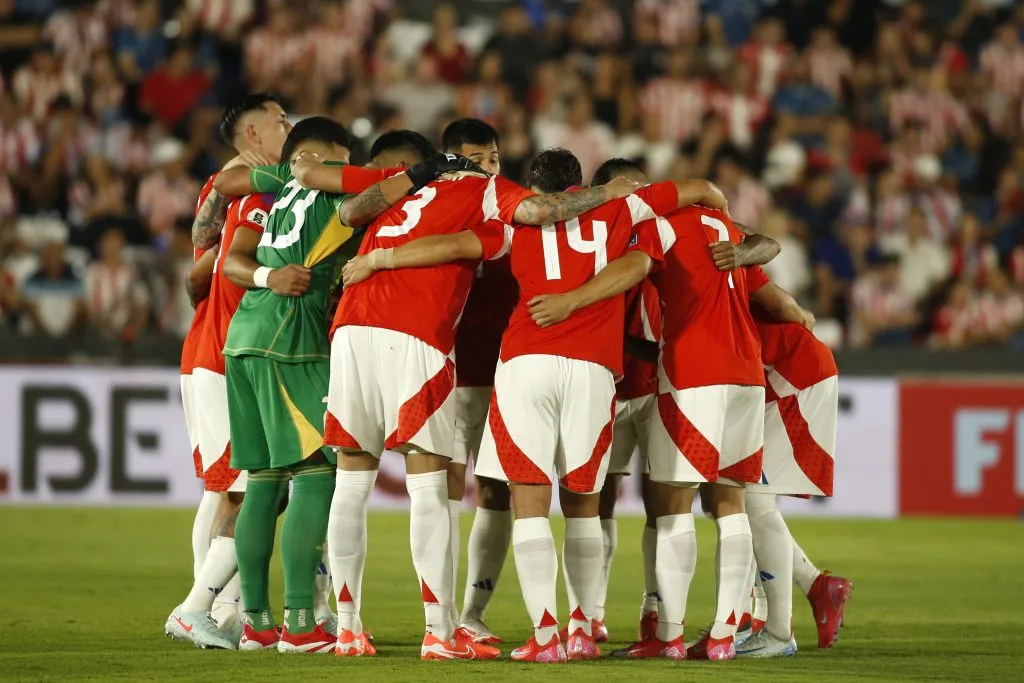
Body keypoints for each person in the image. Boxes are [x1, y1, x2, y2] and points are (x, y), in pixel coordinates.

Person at [338, 151, 745, 663]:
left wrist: (380, 259)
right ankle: (582, 627)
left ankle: (545, 637)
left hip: (526, 361)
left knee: (528, 503)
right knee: (583, 505)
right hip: (594, 367)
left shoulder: (515, 219)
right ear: (580, 183)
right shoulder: (624, 207)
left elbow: (453, 245)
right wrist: (726, 222)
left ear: (534, 186)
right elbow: (699, 189)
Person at [212, 117, 467, 654]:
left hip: (244, 334)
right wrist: (424, 172)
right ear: (323, 154)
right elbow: (363, 204)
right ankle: (301, 623)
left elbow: (226, 184)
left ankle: (257, 624)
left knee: (264, 480)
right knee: (318, 473)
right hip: (292, 335)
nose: (350, 167)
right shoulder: (336, 188)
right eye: (344, 158)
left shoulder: (284, 181)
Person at [527, 189, 782, 662]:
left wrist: (574, 300)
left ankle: (669, 636)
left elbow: (634, 267)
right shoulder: (721, 225)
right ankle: (724, 636)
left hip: (695, 374)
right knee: (732, 504)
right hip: (748, 374)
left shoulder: (661, 226)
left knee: (673, 506)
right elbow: (768, 245)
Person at [165, 93, 290, 650]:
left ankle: (222, 608)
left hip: (222, 349)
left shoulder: (233, 188)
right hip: (221, 353)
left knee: (230, 488)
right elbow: (206, 267)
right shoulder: (250, 188)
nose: (288, 127)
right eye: (279, 121)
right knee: (238, 490)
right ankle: (205, 608)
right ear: (253, 134)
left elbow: (198, 269)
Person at [734, 268, 852, 657]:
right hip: (781, 373)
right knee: (743, 496)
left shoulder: (722, 257)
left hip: (793, 375)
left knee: (750, 496)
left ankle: (778, 630)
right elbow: (778, 298)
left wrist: (797, 312)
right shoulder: (726, 253)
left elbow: (780, 299)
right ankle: (813, 588)